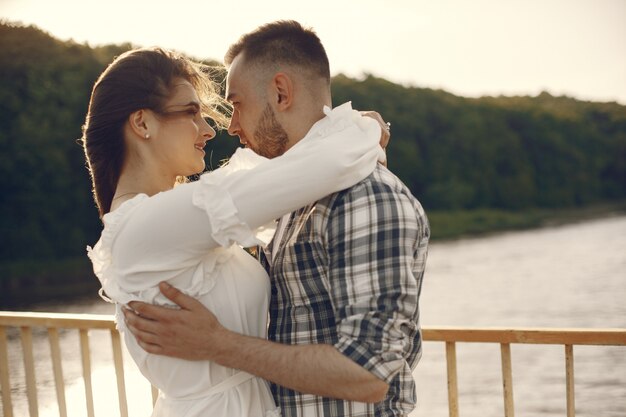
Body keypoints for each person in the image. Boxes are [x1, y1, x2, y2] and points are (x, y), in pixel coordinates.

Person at [124, 20, 430, 417]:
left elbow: (369, 375)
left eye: (236, 104)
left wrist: (219, 344)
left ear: (281, 92)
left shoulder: (365, 197)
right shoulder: (289, 200)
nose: (231, 127)